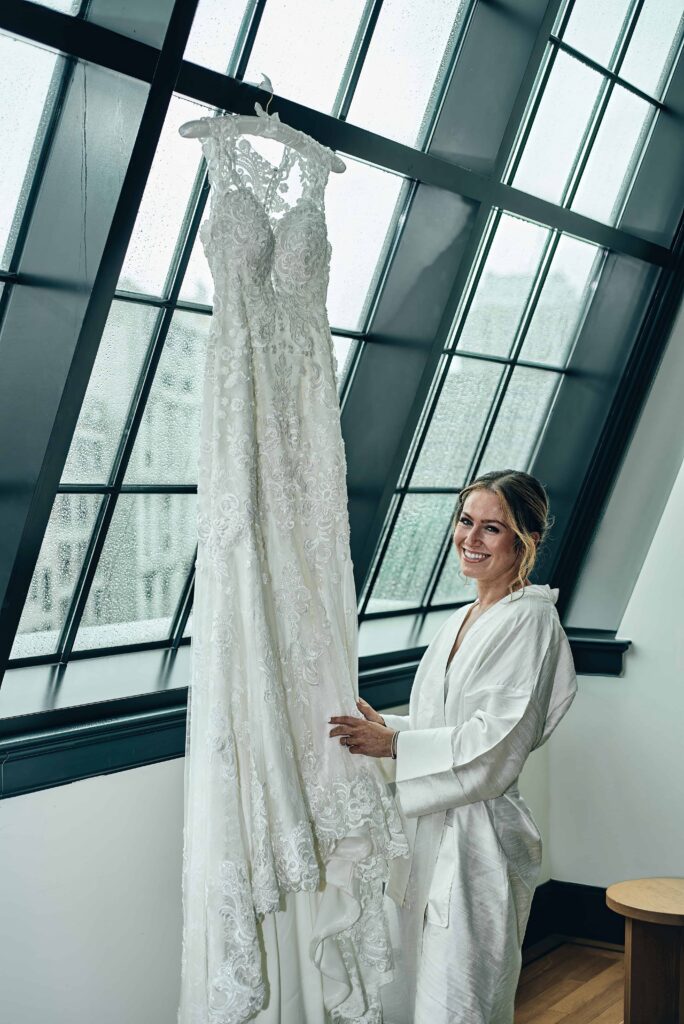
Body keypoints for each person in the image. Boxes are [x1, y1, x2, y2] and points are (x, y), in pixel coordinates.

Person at [329, 469, 578, 1024]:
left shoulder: (531, 622)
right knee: (418, 991)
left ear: (526, 541)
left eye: (493, 528)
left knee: (461, 1001)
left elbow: (497, 745)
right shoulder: (464, 617)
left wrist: (396, 745)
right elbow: (450, 722)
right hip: (428, 835)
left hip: (479, 843)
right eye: (466, 521)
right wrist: (388, 727)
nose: (471, 538)